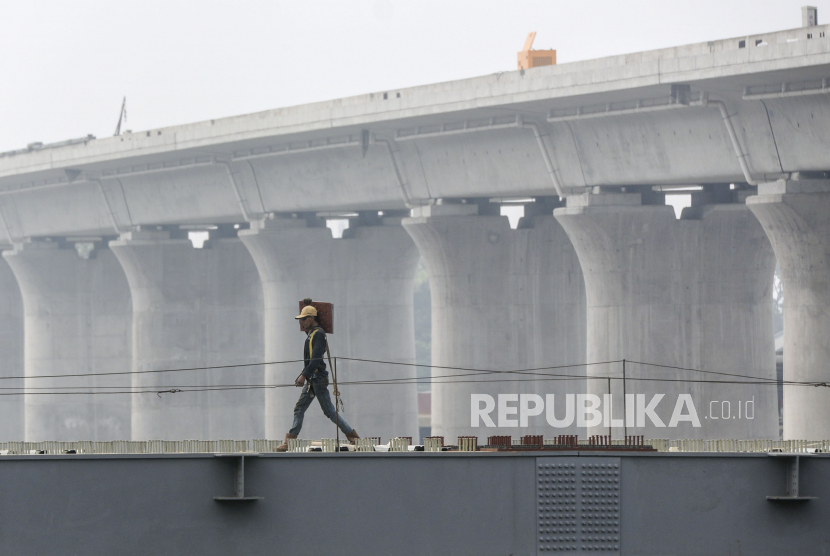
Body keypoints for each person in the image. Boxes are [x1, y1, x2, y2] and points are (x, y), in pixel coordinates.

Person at [275, 303, 360, 452]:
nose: (301, 323)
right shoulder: (312, 334)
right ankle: (290, 441)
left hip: (317, 379)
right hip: (312, 379)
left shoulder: (318, 334)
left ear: (311, 318)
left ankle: (353, 436)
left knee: (329, 411)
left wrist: (303, 376)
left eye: (304, 319)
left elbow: (315, 359)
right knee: (300, 408)